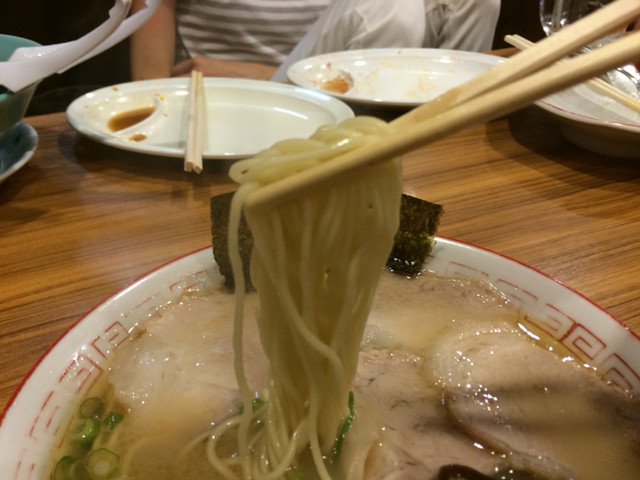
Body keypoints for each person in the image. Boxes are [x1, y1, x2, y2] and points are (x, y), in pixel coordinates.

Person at [130, 0, 501, 82]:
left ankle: (449, 144)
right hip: (229, 98)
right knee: (390, 6)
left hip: (327, 79)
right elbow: (149, 86)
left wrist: (261, 74)